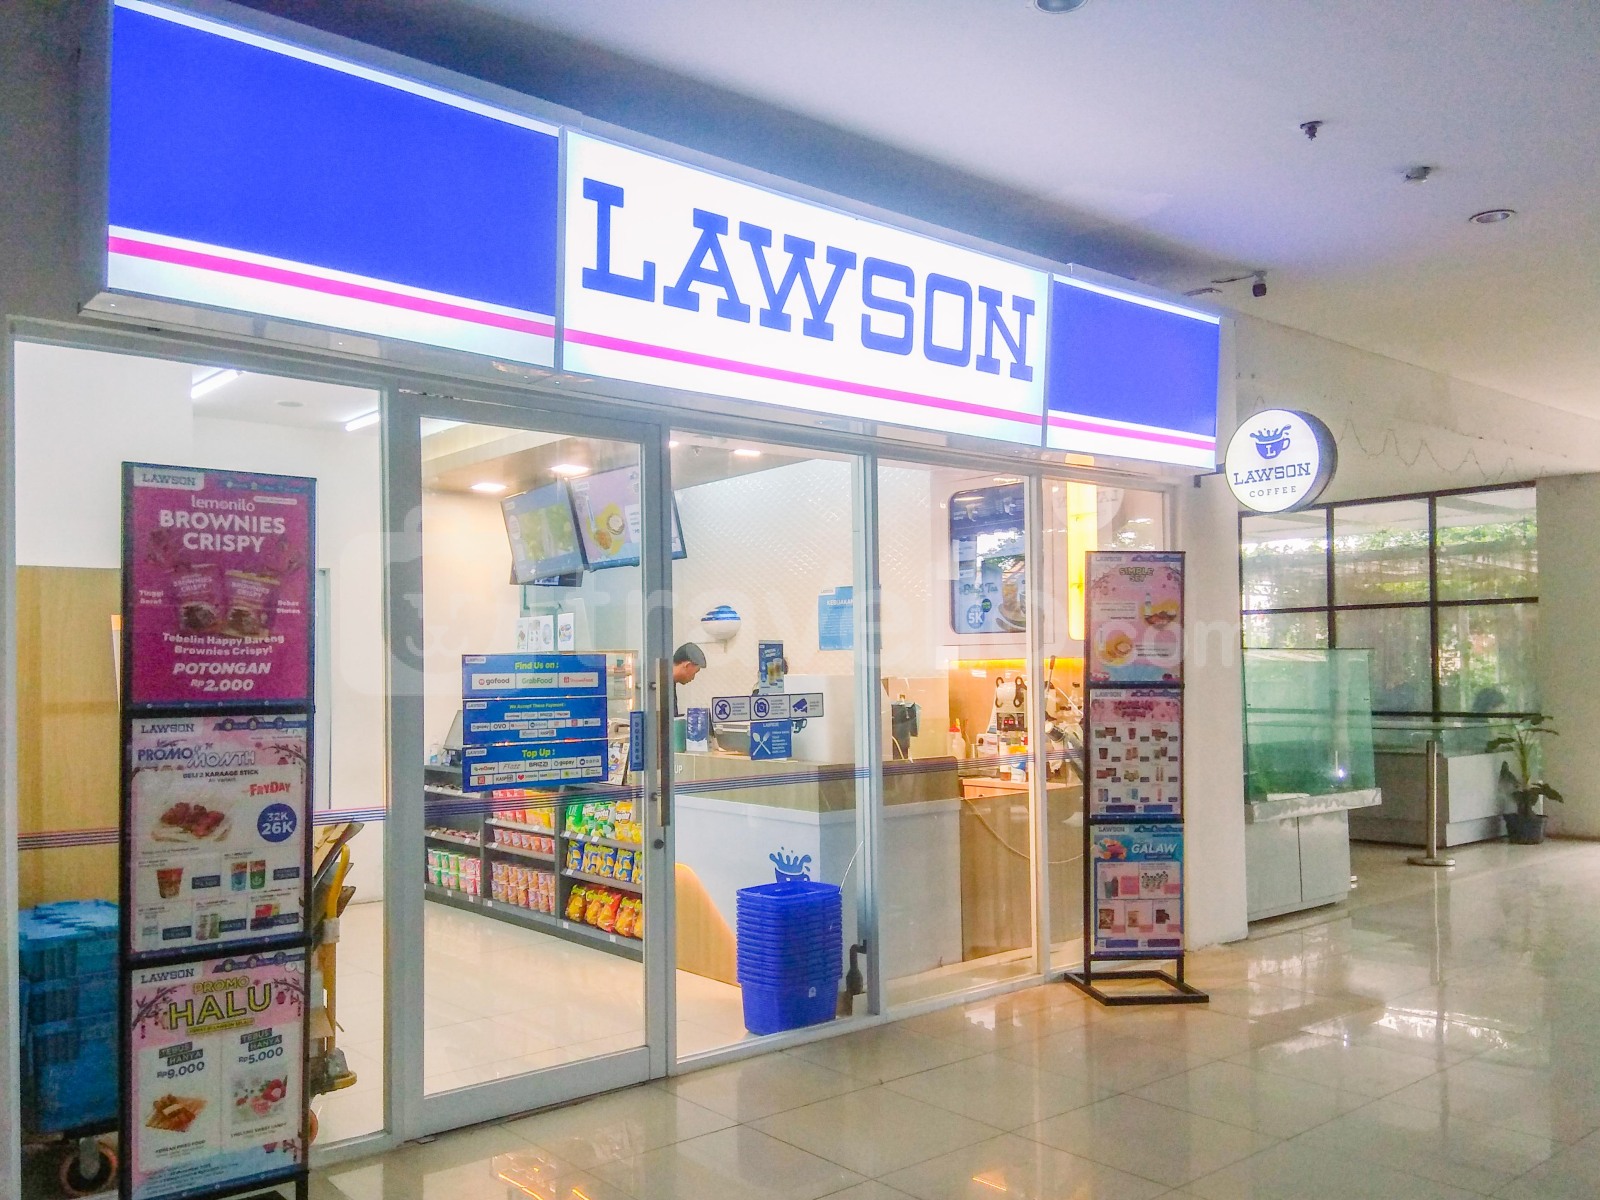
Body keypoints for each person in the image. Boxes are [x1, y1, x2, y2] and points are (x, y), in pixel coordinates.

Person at [672, 642, 706, 715]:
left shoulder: (670, 683)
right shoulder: (662, 685)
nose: (693, 678)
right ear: (687, 665)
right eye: (694, 673)